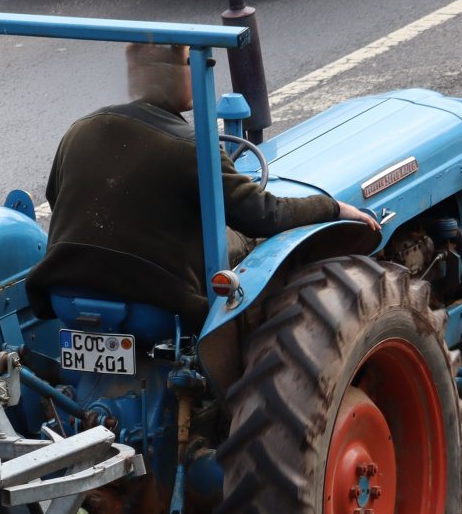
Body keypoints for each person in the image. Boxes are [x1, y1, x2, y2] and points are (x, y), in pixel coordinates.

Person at [27, 42, 379, 326]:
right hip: (156, 304)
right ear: (175, 74)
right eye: (191, 65)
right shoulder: (193, 146)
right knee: (248, 245)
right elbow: (264, 216)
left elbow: (57, 198)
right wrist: (332, 208)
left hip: (64, 294)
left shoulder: (81, 129)